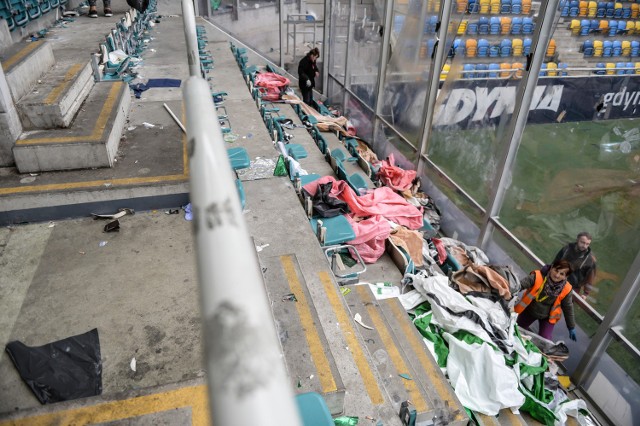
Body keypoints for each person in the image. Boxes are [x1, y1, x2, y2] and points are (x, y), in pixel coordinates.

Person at [515, 259, 577, 342]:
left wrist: (571, 327)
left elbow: (568, 308)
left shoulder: (566, 289)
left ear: (566, 277)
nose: (557, 275)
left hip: (548, 317)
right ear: (551, 268)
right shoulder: (537, 276)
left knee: (545, 340)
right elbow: (520, 285)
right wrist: (506, 291)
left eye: (562, 274)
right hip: (530, 310)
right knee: (516, 329)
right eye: (556, 270)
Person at [553, 231, 597, 300]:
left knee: (563, 308)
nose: (585, 246)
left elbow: (590, 278)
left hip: (572, 288)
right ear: (577, 240)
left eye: (587, 244)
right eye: (582, 242)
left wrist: (585, 294)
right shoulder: (567, 248)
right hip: (556, 280)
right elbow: (555, 262)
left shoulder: (590, 260)